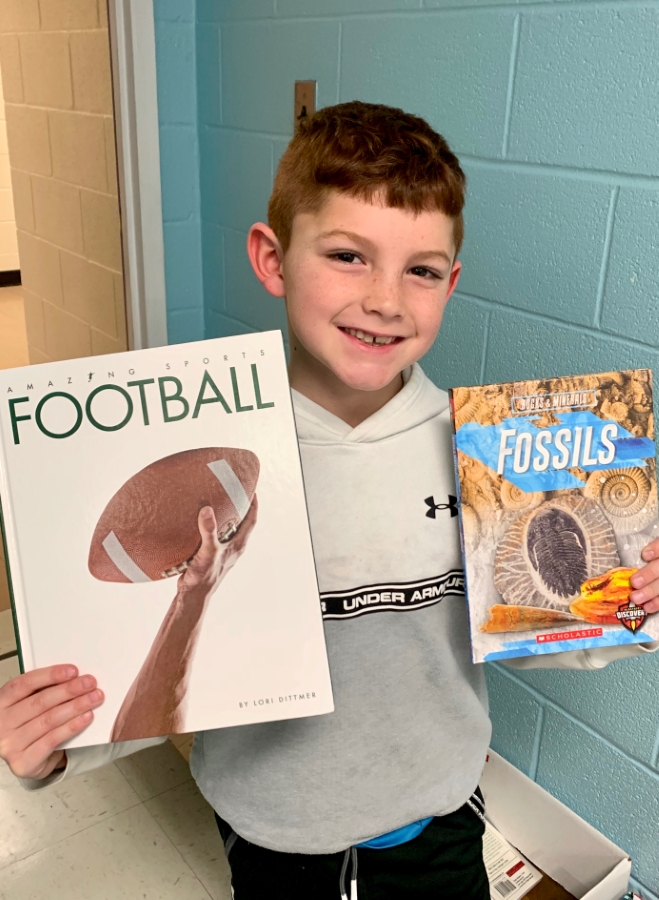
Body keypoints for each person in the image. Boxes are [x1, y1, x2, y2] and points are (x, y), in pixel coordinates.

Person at [1, 101, 658, 899]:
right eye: (348, 255)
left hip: (441, 822)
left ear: (450, 284)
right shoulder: (215, 467)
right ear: (272, 259)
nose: (386, 299)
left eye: (420, 270)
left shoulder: (491, 459)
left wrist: (634, 605)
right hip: (271, 836)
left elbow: (564, 632)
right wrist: (62, 741)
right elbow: (168, 669)